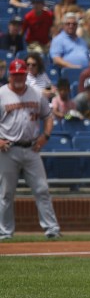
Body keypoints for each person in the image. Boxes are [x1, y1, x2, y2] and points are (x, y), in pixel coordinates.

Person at [0, 59, 61, 241]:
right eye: (15, 74)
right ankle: (4, 231)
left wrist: (46, 136)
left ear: (26, 75)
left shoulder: (36, 93)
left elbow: (48, 116)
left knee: (42, 189)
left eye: (21, 74)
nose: (18, 77)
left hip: (32, 148)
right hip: (8, 150)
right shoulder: (1, 94)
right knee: (5, 193)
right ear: (10, 75)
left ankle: (52, 229)